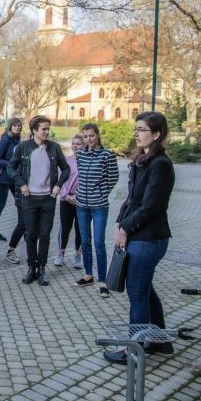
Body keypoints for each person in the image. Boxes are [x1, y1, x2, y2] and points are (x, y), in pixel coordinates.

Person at [104, 112, 175, 365]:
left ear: (156, 134)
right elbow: (131, 199)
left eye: (142, 129)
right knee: (145, 290)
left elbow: (150, 206)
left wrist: (126, 227)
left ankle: (134, 351)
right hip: (138, 235)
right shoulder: (141, 161)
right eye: (135, 128)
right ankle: (159, 340)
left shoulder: (160, 165)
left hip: (149, 238)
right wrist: (119, 222)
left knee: (137, 295)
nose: (136, 133)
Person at [7, 116, 69, 287]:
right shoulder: (23, 147)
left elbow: (66, 169)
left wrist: (58, 185)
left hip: (48, 199)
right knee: (31, 234)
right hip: (29, 199)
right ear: (34, 130)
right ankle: (31, 268)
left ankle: (41, 269)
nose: (47, 132)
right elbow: (11, 167)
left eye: (48, 129)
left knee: (45, 235)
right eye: (43, 129)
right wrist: (21, 184)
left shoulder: (54, 148)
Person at [74, 123, 120, 298]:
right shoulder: (81, 155)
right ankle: (88, 275)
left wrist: (101, 193)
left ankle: (103, 280)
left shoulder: (107, 155)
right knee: (85, 241)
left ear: (97, 135)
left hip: (99, 205)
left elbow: (113, 177)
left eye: (91, 136)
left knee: (99, 243)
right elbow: (80, 176)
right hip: (81, 205)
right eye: (85, 136)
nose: (88, 139)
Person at [0, 118, 22, 242]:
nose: (17, 127)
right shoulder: (5, 140)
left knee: (21, 203)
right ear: (10, 127)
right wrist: (10, 163)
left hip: (15, 178)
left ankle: (24, 229)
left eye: (19, 125)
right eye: (15, 125)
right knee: (1, 205)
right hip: (4, 179)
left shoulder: (18, 140)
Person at [55, 134, 83, 269]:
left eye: (78, 144)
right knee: (64, 227)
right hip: (66, 199)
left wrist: (79, 196)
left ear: (84, 146)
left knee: (80, 228)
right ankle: (61, 254)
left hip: (81, 200)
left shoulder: (87, 161)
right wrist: (66, 196)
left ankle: (78, 255)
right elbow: (61, 180)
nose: (75, 146)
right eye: (74, 144)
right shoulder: (66, 161)